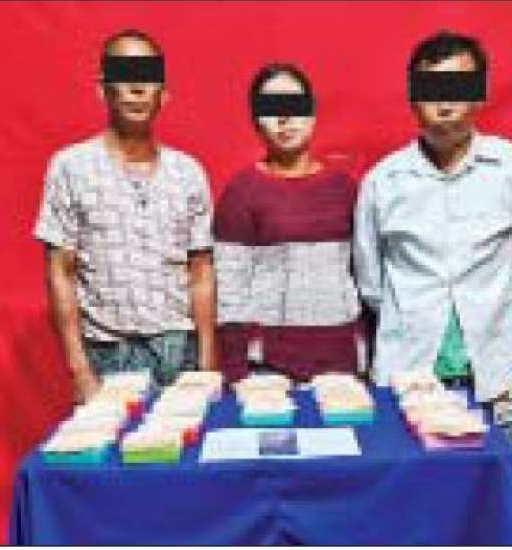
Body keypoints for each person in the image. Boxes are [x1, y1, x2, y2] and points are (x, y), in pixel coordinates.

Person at [353, 30, 512, 447]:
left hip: (493, 373)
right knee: (413, 483)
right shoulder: (383, 182)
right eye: (431, 90)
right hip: (408, 377)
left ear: (479, 95)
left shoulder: (509, 168)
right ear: (412, 98)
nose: (444, 105)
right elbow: (371, 284)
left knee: (494, 478)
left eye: (457, 88)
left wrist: (486, 311)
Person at [33, 29, 216, 403]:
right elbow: (60, 272)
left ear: (163, 93)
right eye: (125, 74)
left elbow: (201, 272)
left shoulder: (188, 173)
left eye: (147, 76)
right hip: (106, 354)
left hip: (179, 351)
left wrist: (207, 360)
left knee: (185, 443)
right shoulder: (70, 167)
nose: (137, 88)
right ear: (103, 89)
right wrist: (79, 369)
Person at [213, 63, 364, 383]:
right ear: (256, 121)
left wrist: (365, 355)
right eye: (271, 108)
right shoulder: (241, 192)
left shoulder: (345, 189)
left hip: (341, 362)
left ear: (312, 113)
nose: (284, 118)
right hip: (268, 369)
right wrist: (236, 373)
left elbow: (364, 277)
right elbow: (229, 293)